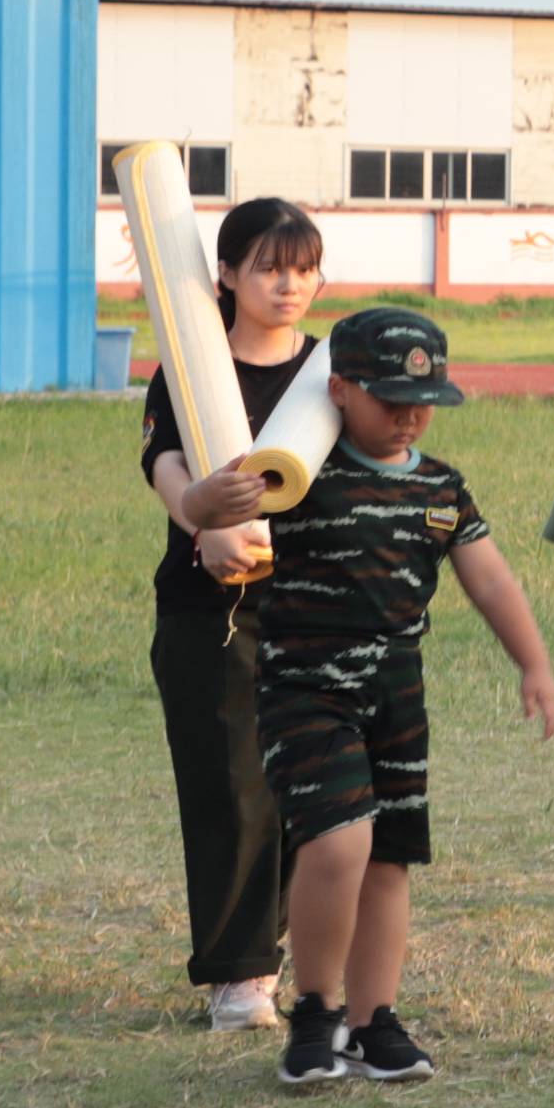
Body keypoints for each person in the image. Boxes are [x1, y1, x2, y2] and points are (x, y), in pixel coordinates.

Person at [245, 307, 554, 1093]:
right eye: (389, 399)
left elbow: (489, 577)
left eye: (424, 400)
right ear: (341, 391)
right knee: (337, 843)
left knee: (389, 858)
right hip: (305, 688)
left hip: (397, 691)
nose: (410, 415)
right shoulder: (297, 475)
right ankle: (315, 1011)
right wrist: (222, 508)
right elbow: (222, 526)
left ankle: (371, 1020)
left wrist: (534, 663)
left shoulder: (438, 485)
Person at [137, 195, 328, 1031]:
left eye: (304, 268)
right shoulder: (189, 366)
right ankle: (240, 976)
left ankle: (285, 946)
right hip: (207, 611)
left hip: (317, 608)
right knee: (230, 785)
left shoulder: (330, 371)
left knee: (311, 788)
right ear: (226, 273)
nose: (290, 285)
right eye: (269, 267)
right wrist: (202, 521)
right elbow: (165, 464)